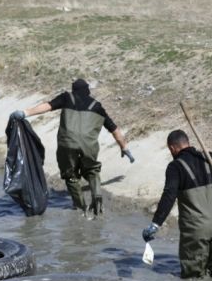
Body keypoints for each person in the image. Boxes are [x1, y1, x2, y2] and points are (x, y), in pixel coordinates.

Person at [10, 78, 134, 218]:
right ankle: (97, 199)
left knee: (71, 175)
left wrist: (25, 113)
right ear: (88, 90)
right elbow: (115, 130)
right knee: (92, 170)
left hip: (67, 143)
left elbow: (47, 106)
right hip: (89, 146)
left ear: (73, 90)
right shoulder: (97, 106)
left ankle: (81, 207)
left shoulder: (66, 98)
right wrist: (124, 148)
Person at [142, 129, 212, 280]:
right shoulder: (210, 158)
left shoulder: (175, 167)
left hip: (196, 230)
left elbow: (169, 196)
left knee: (193, 280)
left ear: (172, 148)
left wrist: (156, 224)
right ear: (187, 143)